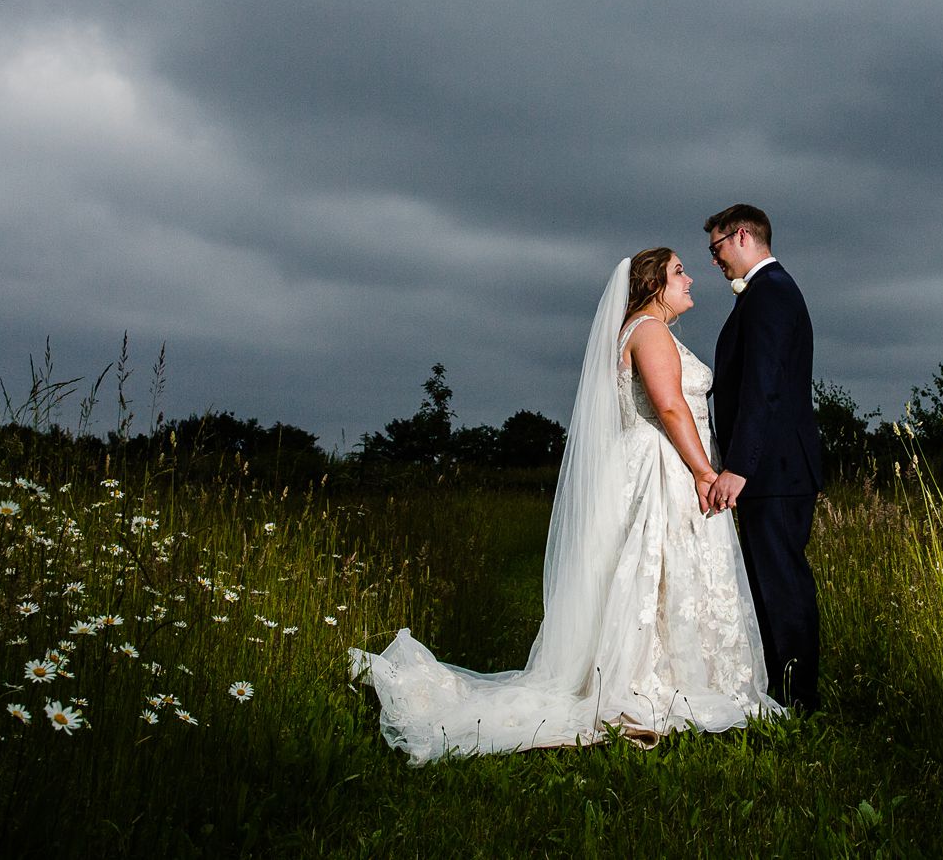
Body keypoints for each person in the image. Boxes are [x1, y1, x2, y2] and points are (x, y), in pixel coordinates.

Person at [351, 250, 780, 763]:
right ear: (652, 285)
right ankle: (648, 684)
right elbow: (670, 407)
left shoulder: (636, 331)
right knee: (654, 572)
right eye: (679, 272)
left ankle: (660, 673)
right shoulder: (649, 332)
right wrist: (705, 473)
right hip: (662, 469)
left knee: (650, 576)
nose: (691, 279)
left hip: (650, 464)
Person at [704, 204, 822, 712]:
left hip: (773, 470)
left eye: (716, 249)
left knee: (782, 587)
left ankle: (799, 701)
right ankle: (782, 693)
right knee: (769, 584)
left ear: (743, 235)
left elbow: (764, 387)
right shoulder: (765, 293)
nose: (714, 261)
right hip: (774, 469)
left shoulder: (770, 293)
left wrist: (739, 466)